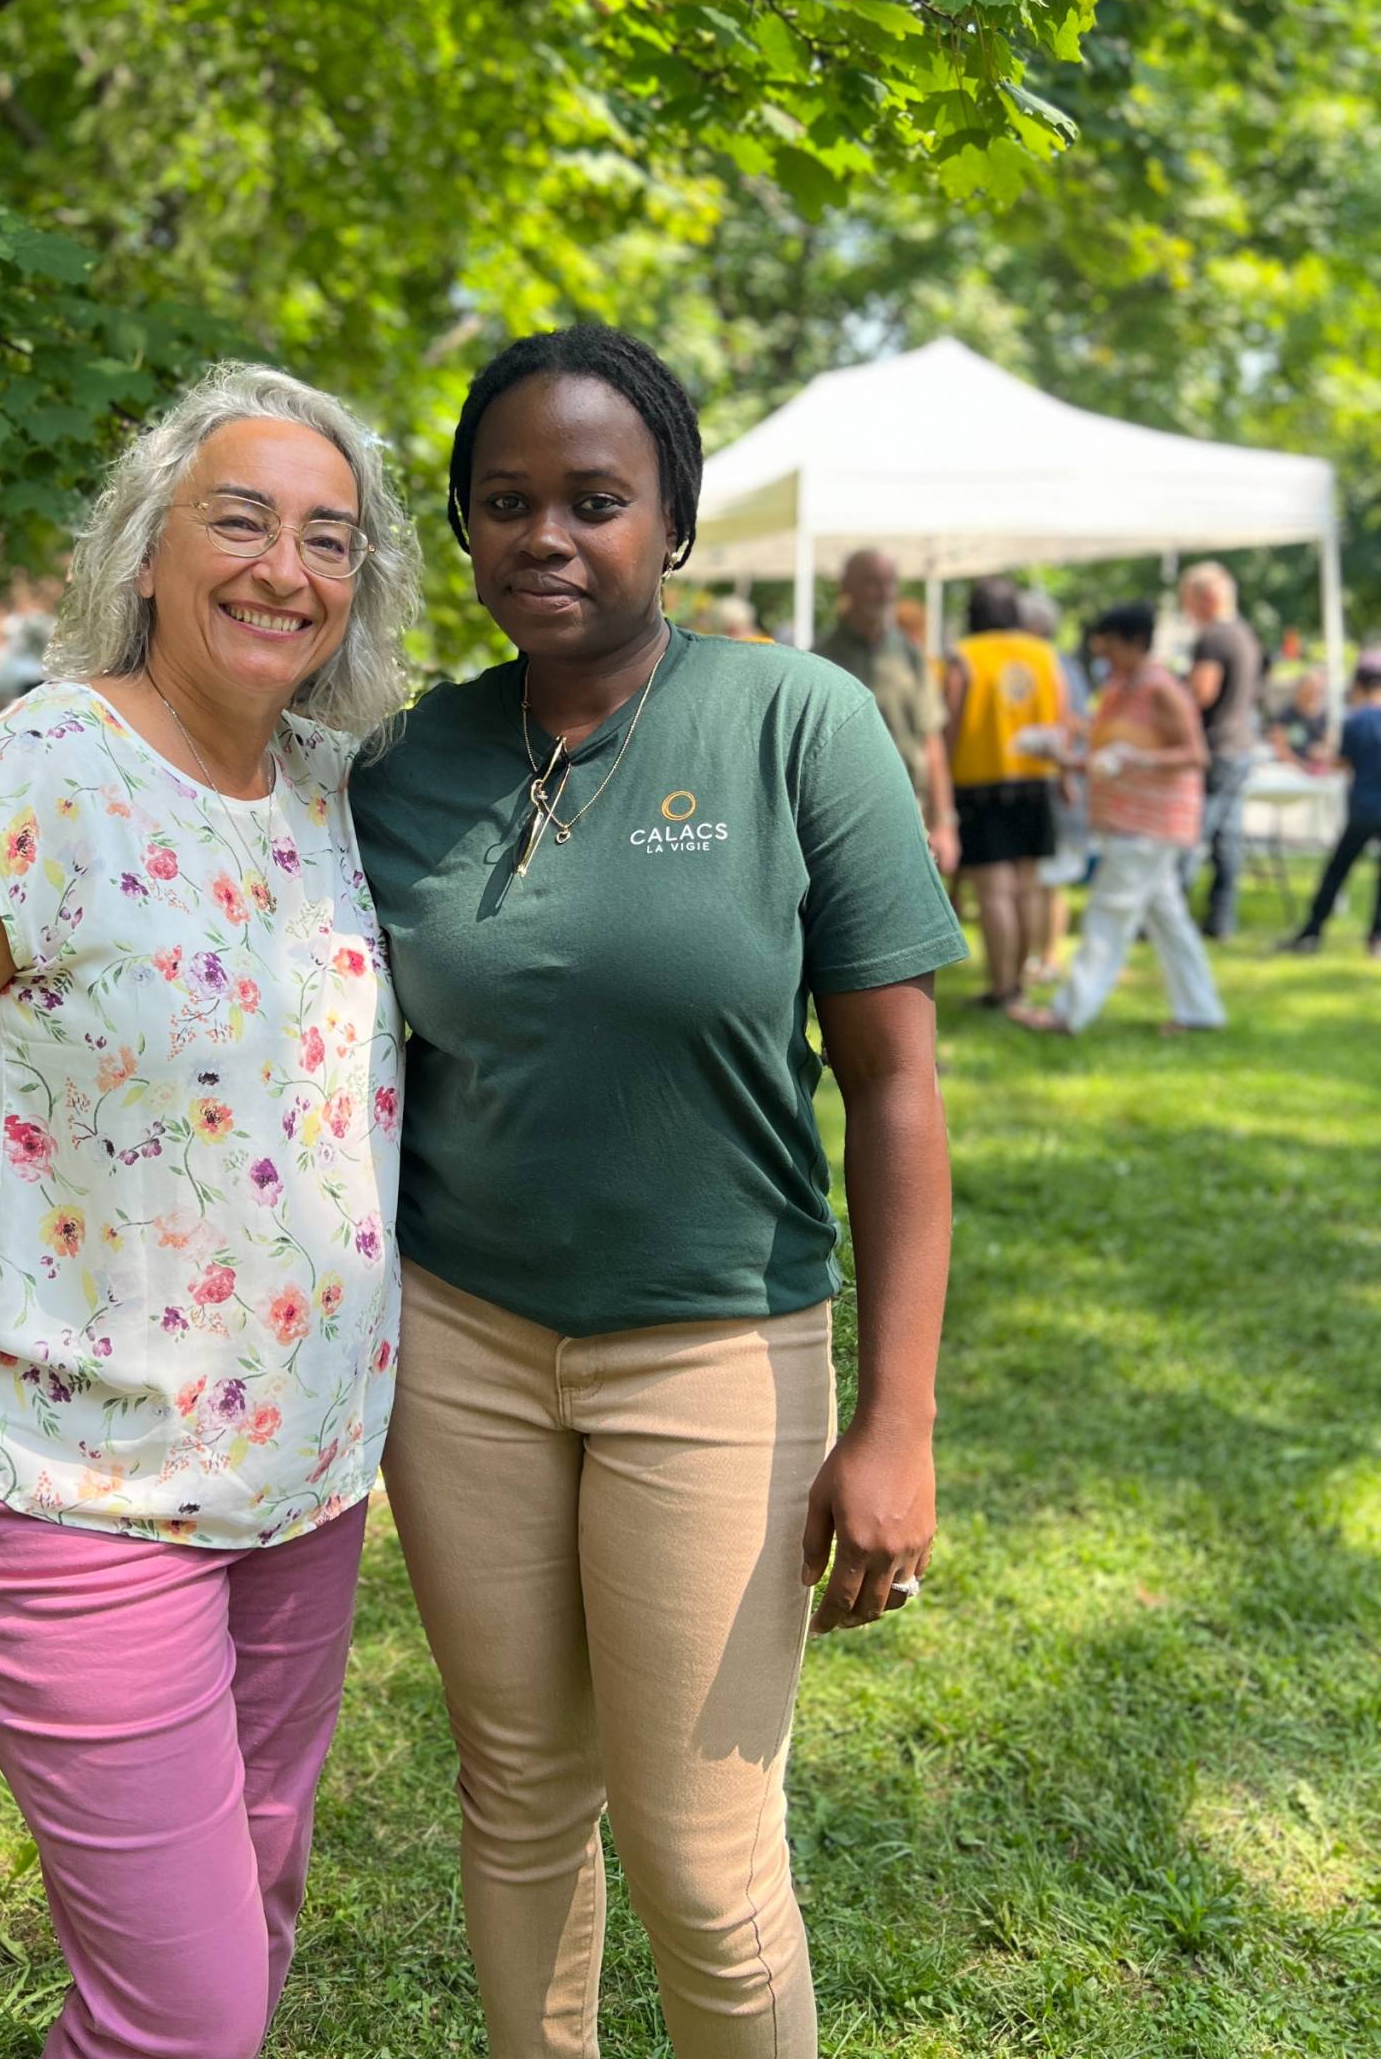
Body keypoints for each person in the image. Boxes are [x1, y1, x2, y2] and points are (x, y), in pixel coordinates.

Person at [0, 365, 420, 2059]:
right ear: (146, 550)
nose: (285, 567)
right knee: (183, 2019)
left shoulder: (343, 793)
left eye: (327, 538)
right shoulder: (44, 775)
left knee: (248, 1922)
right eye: (242, 520)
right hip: (70, 1490)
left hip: (305, 1478)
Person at [350, 323, 966, 2059]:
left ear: (674, 521)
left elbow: (897, 1087)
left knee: (701, 1859)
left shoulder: (796, 720)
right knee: (521, 1796)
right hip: (459, 1346)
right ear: (465, 529)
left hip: (717, 1354)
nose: (546, 536)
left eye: (596, 499)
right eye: (505, 502)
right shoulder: (404, 764)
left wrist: (900, 1420)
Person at [1010, 601, 1224, 1038]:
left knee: (1107, 914)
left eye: (1109, 645)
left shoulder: (1161, 688)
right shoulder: (1117, 687)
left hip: (1151, 825)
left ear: (1135, 643)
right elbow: (1102, 755)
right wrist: (1058, 754)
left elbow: (1196, 755)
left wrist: (1136, 759)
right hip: (1125, 822)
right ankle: (1201, 1011)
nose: (1102, 652)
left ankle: (1068, 1014)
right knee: (1169, 921)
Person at [945, 578, 1064, 1004]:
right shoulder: (1044, 653)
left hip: (980, 784)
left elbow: (951, 723)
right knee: (1027, 887)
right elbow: (1061, 719)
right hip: (1036, 780)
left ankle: (1002, 988)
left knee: (994, 892)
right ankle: (1020, 981)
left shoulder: (964, 656)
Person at [813, 547, 959, 873]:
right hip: (842, 819)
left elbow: (932, 742)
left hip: (909, 812)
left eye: (890, 583)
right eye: (872, 582)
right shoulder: (818, 658)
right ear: (846, 587)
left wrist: (945, 823)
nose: (884, 593)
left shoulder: (911, 656)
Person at [1179, 563, 1262, 938]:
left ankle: (1170, 916)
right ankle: (1220, 920)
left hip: (1214, 747)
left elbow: (1201, 693)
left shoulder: (1212, 638)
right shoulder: (1245, 634)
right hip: (1241, 746)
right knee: (1227, 840)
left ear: (1205, 598)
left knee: (1192, 836)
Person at [1278, 657, 1381, 955]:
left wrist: (1321, 760)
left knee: (1337, 870)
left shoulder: (1356, 720)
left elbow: (1344, 763)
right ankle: (1376, 938)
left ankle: (1312, 931)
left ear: (1359, 685)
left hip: (1363, 807)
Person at [1018, 592, 1090, 982]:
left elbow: (1072, 724)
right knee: (1038, 880)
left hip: (1052, 784)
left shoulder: (1054, 665)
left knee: (1050, 878)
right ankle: (1035, 957)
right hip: (1036, 784)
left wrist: (1064, 775)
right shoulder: (1055, 664)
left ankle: (1047, 958)